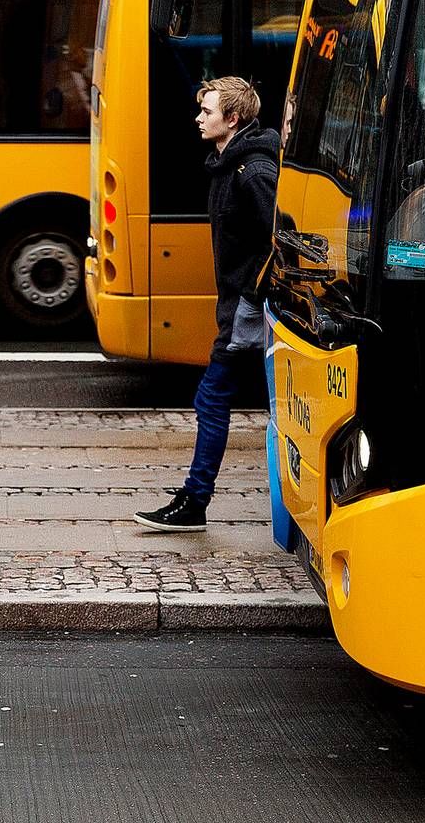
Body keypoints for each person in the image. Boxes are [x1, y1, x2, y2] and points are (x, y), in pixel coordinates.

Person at [135, 75, 279, 532]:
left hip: (247, 309)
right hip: (239, 306)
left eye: (208, 111)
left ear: (232, 119)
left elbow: (282, 236)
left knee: (213, 398)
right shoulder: (225, 164)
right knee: (274, 403)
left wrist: (254, 299)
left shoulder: (253, 172)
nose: (198, 118)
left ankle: (195, 501)